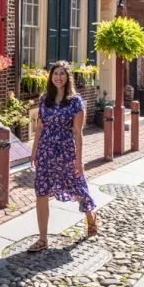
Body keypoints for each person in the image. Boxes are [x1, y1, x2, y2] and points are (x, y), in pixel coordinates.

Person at [28, 61, 98, 252]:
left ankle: (90, 216)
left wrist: (79, 159)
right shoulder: (44, 99)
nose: (58, 77)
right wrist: (33, 152)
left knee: (76, 187)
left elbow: (78, 132)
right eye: (55, 74)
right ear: (51, 77)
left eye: (62, 74)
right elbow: (39, 127)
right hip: (45, 151)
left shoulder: (75, 101)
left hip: (66, 150)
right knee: (41, 192)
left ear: (68, 78)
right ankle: (42, 239)